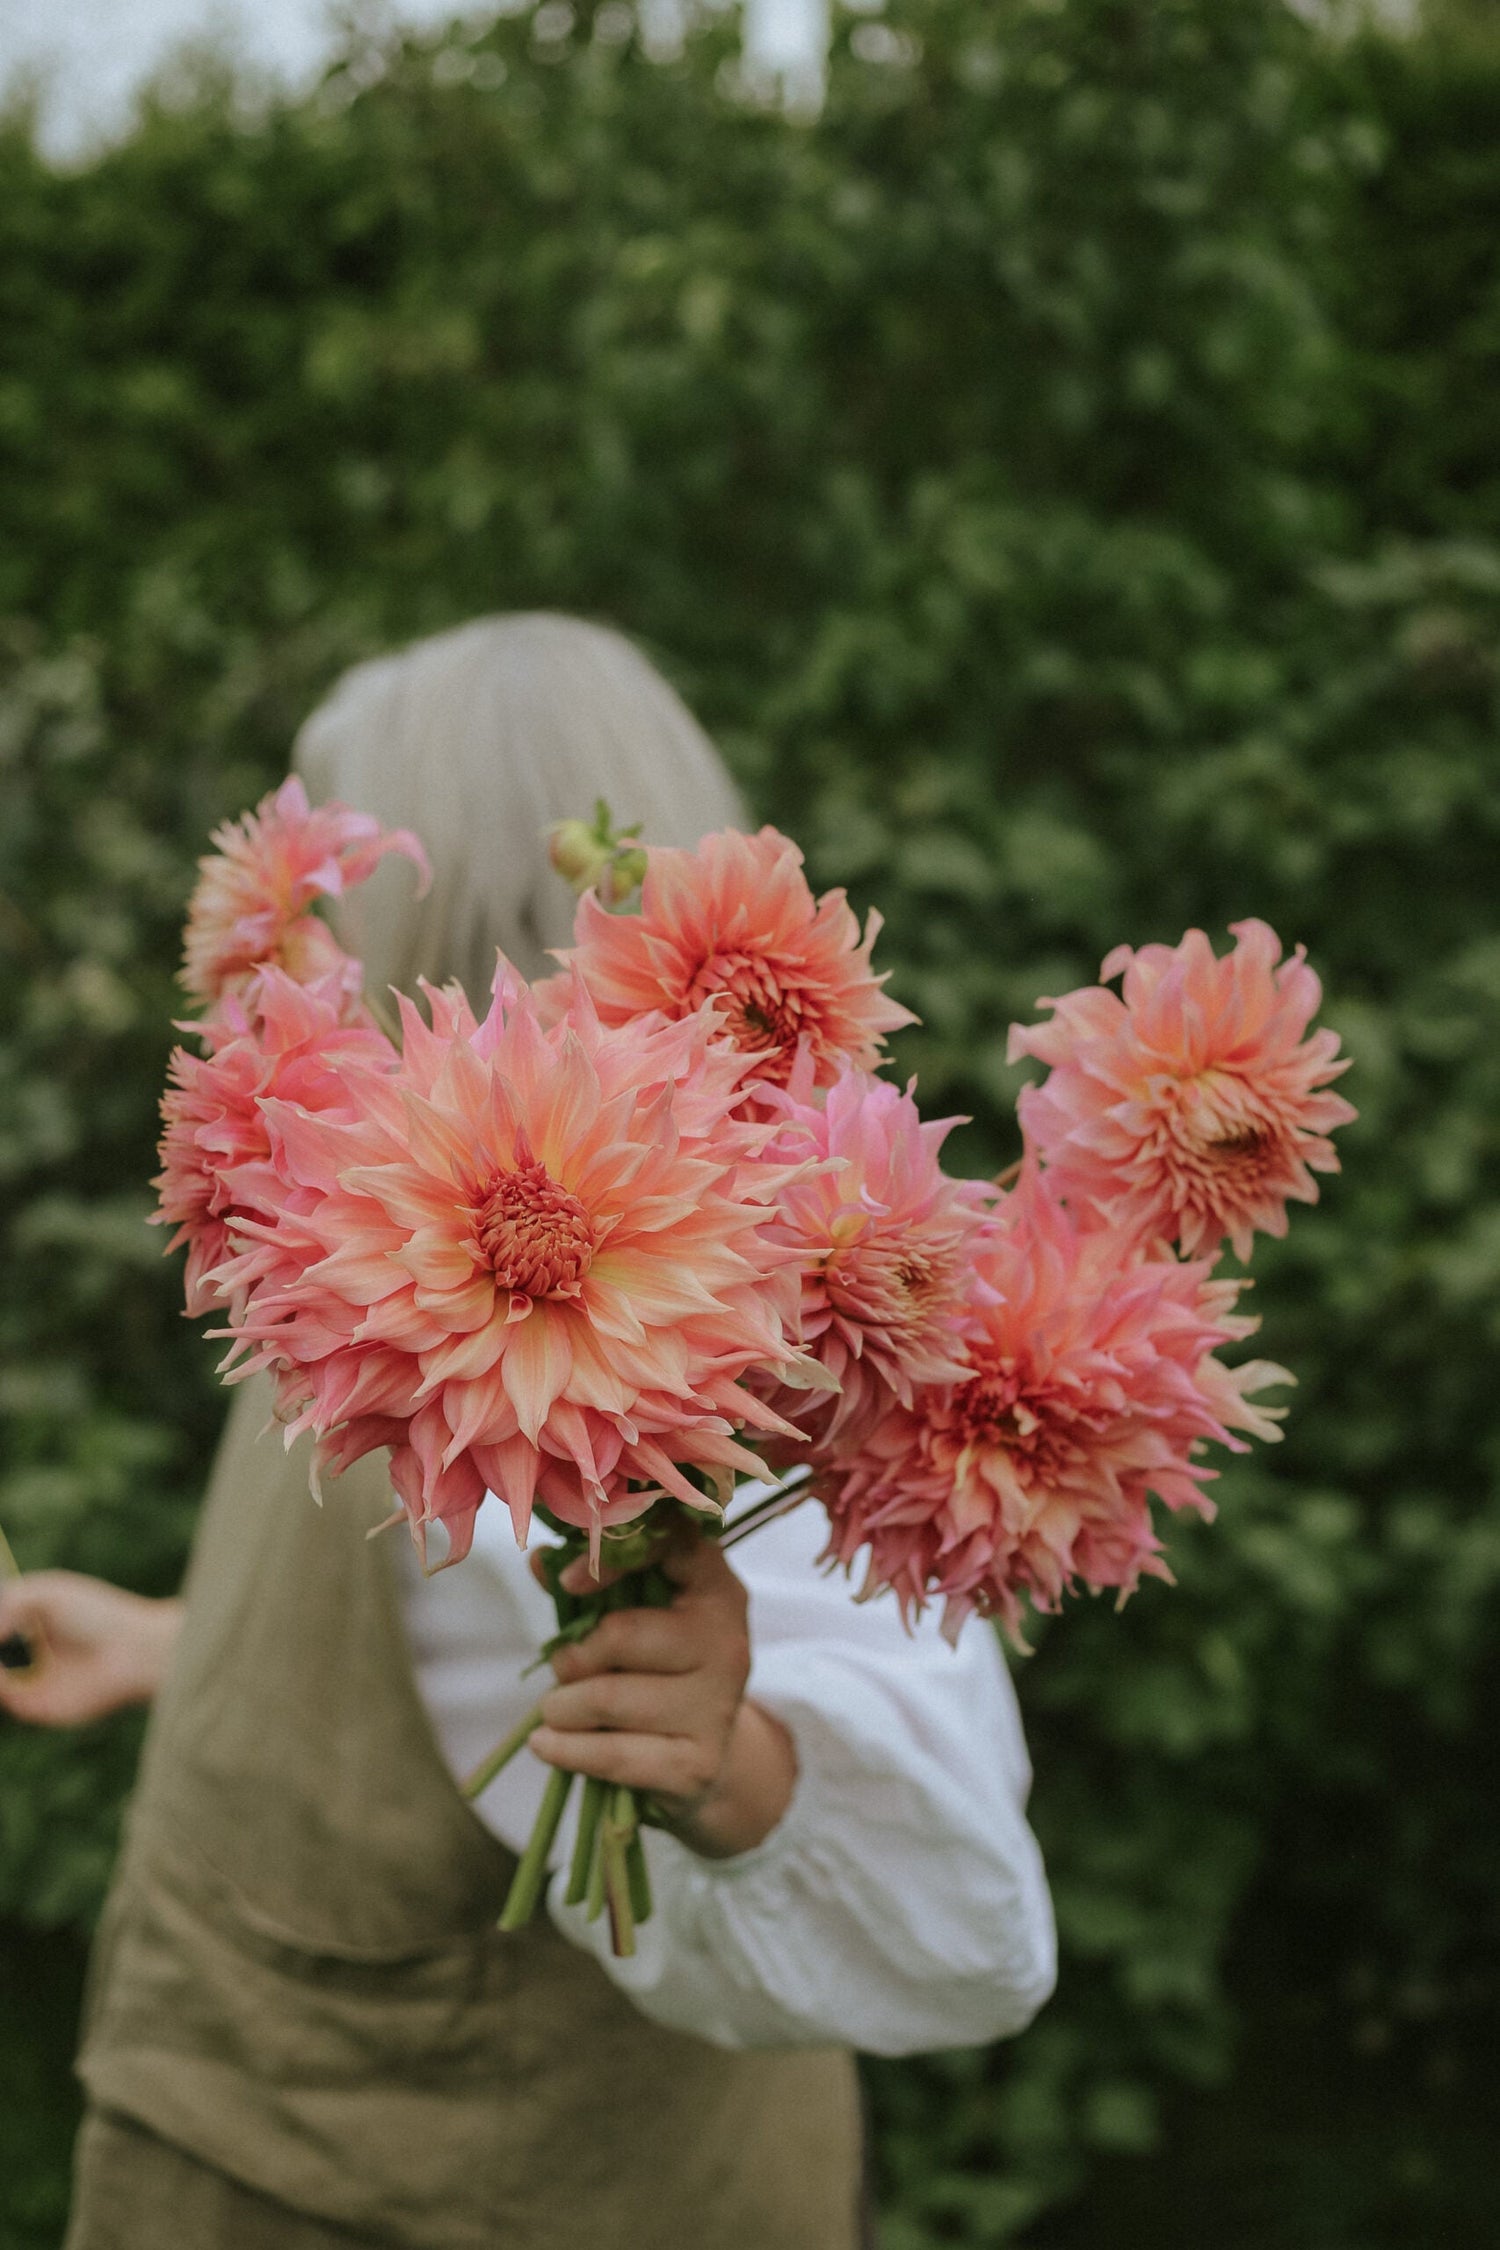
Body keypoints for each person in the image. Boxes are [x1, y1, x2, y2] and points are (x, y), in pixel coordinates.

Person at [0, 614, 1055, 2250]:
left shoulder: (696, 1297)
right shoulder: (356, 1209)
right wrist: (174, 1640)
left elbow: (964, 1923)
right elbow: (461, 1624)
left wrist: (733, 1758)